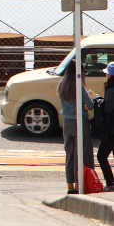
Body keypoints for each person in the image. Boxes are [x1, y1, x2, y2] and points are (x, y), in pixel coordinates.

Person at [58, 58, 96, 194]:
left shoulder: (61, 84)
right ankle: (84, 183)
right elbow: (91, 105)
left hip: (67, 123)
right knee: (85, 153)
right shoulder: (79, 86)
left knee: (70, 154)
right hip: (81, 122)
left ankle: (70, 186)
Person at [97, 62, 114, 192]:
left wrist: (99, 102)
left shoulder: (111, 90)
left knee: (101, 156)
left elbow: (108, 108)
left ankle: (110, 182)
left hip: (111, 129)